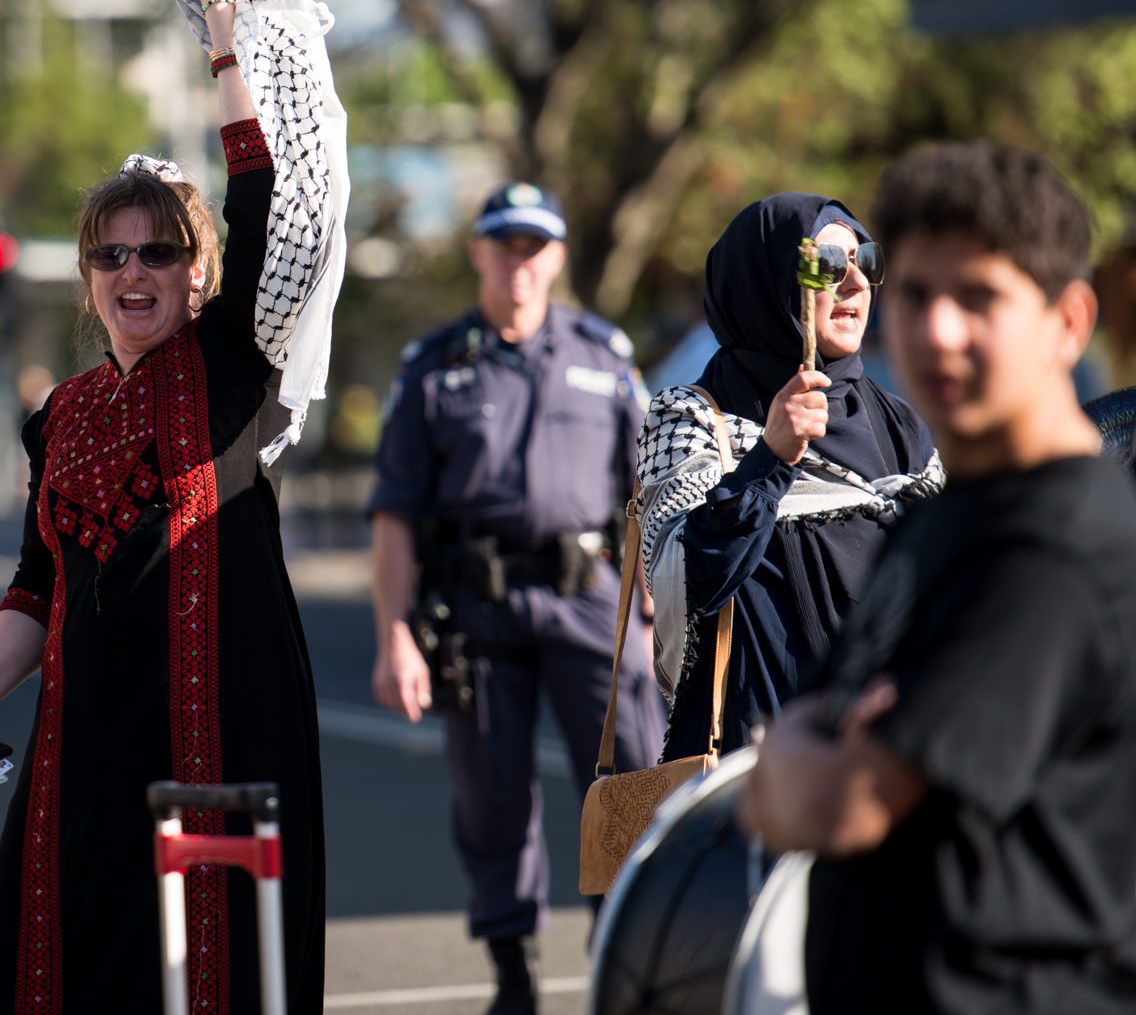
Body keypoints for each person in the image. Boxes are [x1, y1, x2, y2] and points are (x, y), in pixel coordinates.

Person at [0, 0, 343, 1008]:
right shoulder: (59, 412)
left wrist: (224, 48)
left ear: (197, 271)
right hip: (84, 745)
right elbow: (37, 580)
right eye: (111, 254)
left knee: (211, 983)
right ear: (86, 274)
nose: (135, 270)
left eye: (160, 250)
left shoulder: (232, 365)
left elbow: (261, 202)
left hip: (222, 734)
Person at [744, 143, 1136, 1013]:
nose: (936, 331)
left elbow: (840, 803)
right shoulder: (939, 516)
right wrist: (807, 755)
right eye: (918, 295)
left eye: (979, 298)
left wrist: (788, 765)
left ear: (1069, 322)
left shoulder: (1054, 547)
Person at [367, 183, 665, 1015]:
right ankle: (514, 976)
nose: (520, 262)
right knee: (492, 799)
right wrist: (395, 634)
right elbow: (395, 511)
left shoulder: (604, 356)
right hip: (479, 606)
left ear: (557, 257)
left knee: (629, 789)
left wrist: (650, 612)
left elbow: (645, 496)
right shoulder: (435, 366)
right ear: (479, 252)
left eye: (535, 247)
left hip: (591, 605)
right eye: (504, 245)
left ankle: (625, 961)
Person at [634, 194, 942, 761]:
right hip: (753, 762)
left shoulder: (900, 424)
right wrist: (771, 456)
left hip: (880, 755)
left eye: (866, 262)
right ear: (766, 281)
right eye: (827, 265)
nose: (855, 283)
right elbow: (683, 585)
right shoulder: (692, 416)